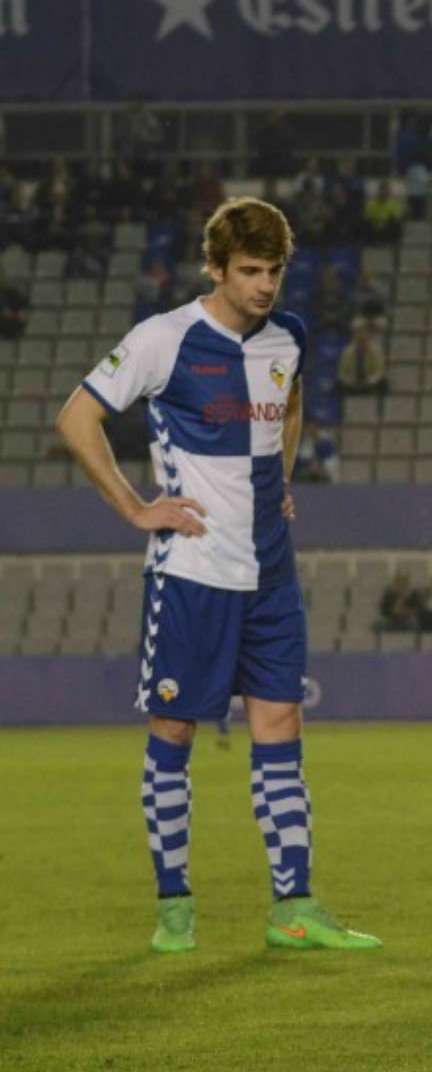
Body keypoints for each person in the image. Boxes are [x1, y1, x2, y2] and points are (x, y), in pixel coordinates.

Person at [51, 197, 379, 954]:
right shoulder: (164, 339)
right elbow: (77, 418)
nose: (266, 286)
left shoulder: (288, 337)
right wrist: (137, 508)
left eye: (275, 272)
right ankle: (175, 905)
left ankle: (292, 906)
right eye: (251, 272)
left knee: (281, 727)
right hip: (193, 572)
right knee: (173, 731)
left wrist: (281, 475)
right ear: (217, 269)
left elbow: (288, 406)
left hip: (270, 569)